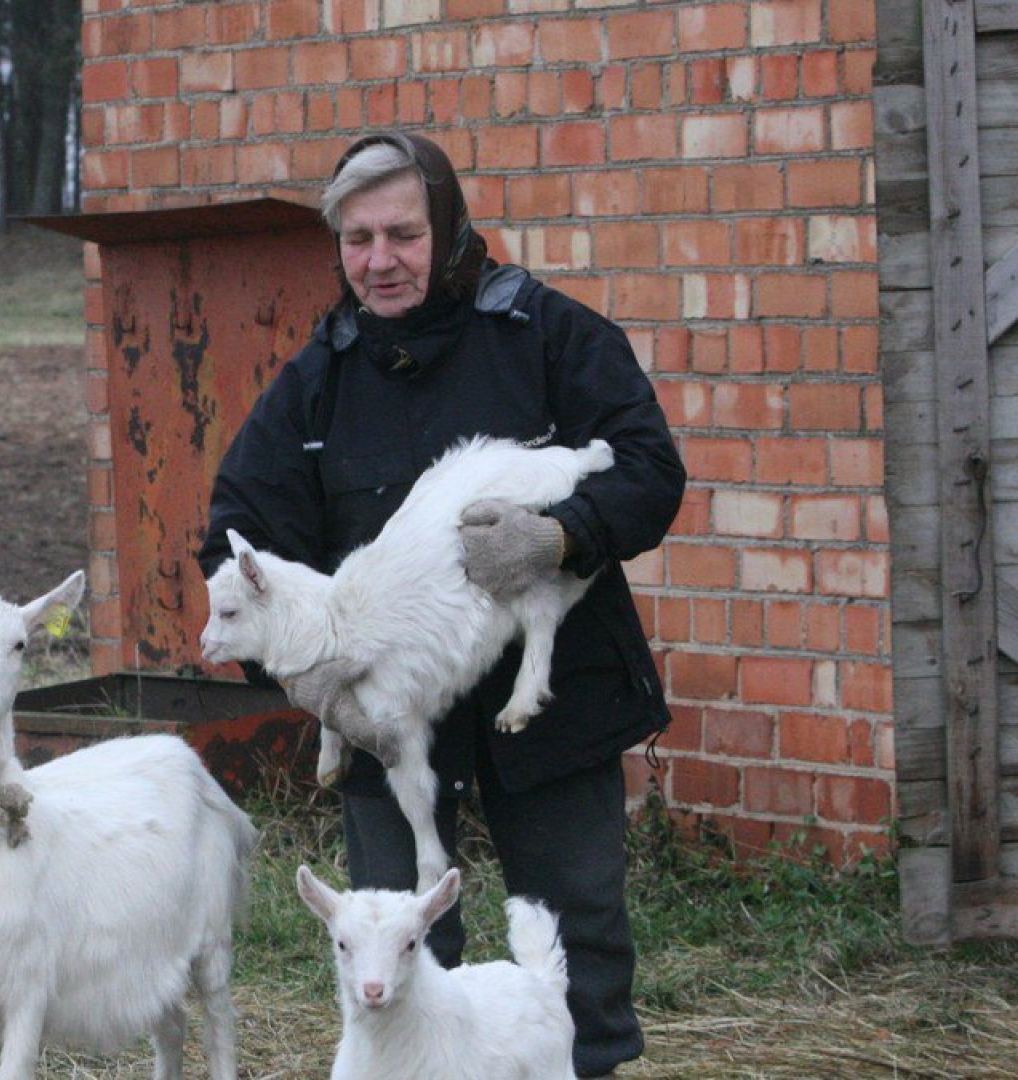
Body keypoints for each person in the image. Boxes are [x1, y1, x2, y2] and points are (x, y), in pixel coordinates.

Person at [198, 131, 685, 1078]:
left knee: (575, 936)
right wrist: (295, 666)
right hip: (391, 720)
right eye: (356, 239)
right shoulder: (317, 382)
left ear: (449, 228)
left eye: (403, 235)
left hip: (554, 699)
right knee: (396, 939)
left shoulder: (544, 334)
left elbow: (651, 469)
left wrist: (564, 534)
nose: (378, 262)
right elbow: (235, 538)